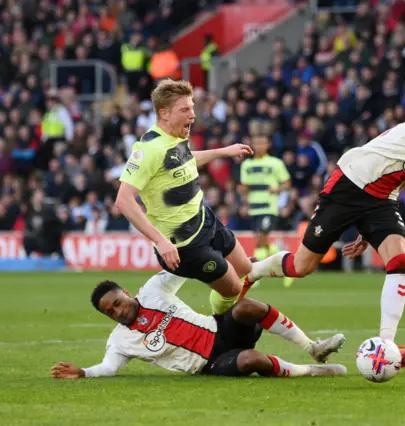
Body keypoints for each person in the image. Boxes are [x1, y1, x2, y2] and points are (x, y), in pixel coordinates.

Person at [241, 100, 405, 368]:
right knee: (301, 266)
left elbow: (400, 179)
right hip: (348, 186)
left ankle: (386, 345)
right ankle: (254, 270)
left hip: (381, 199)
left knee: (400, 259)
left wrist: (367, 232)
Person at [115, 79, 254, 316]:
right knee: (232, 289)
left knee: (245, 268)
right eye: (185, 110)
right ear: (165, 113)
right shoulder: (149, 149)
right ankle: (220, 331)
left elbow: (185, 158)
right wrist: (160, 241)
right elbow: (123, 200)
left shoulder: (177, 136)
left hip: (203, 219)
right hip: (185, 245)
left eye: (192, 108)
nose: (193, 115)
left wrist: (224, 151)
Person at [50, 271, 347, 379]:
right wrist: (84, 373)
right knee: (251, 359)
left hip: (220, 329)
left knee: (246, 307)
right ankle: (311, 371)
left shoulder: (153, 290)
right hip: (211, 363)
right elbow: (109, 368)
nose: (117, 311)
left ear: (125, 293)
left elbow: (182, 264)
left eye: (116, 302)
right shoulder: (119, 341)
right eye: (109, 312)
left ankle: (313, 348)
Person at [239, 133, 293, 288]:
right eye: (256, 143)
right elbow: (244, 188)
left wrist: (277, 189)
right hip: (254, 208)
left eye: (262, 143)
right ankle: (288, 262)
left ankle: (254, 275)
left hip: (269, 207)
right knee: (263, 242)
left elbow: (287, 183)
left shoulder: (275, 163)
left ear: (268, 145)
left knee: (260, 239)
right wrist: (243, 193)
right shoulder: (246, 165)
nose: (259, 146)